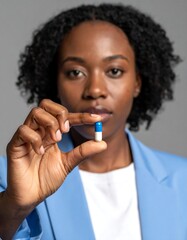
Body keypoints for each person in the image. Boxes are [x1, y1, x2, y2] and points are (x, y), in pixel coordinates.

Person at [0, 3, 186, 240]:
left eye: (115, 71)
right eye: (75, 72)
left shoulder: (183, 180)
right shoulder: (8, 178)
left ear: (138, 82)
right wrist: (13, 209)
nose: (95, 90)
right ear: (54, 82)